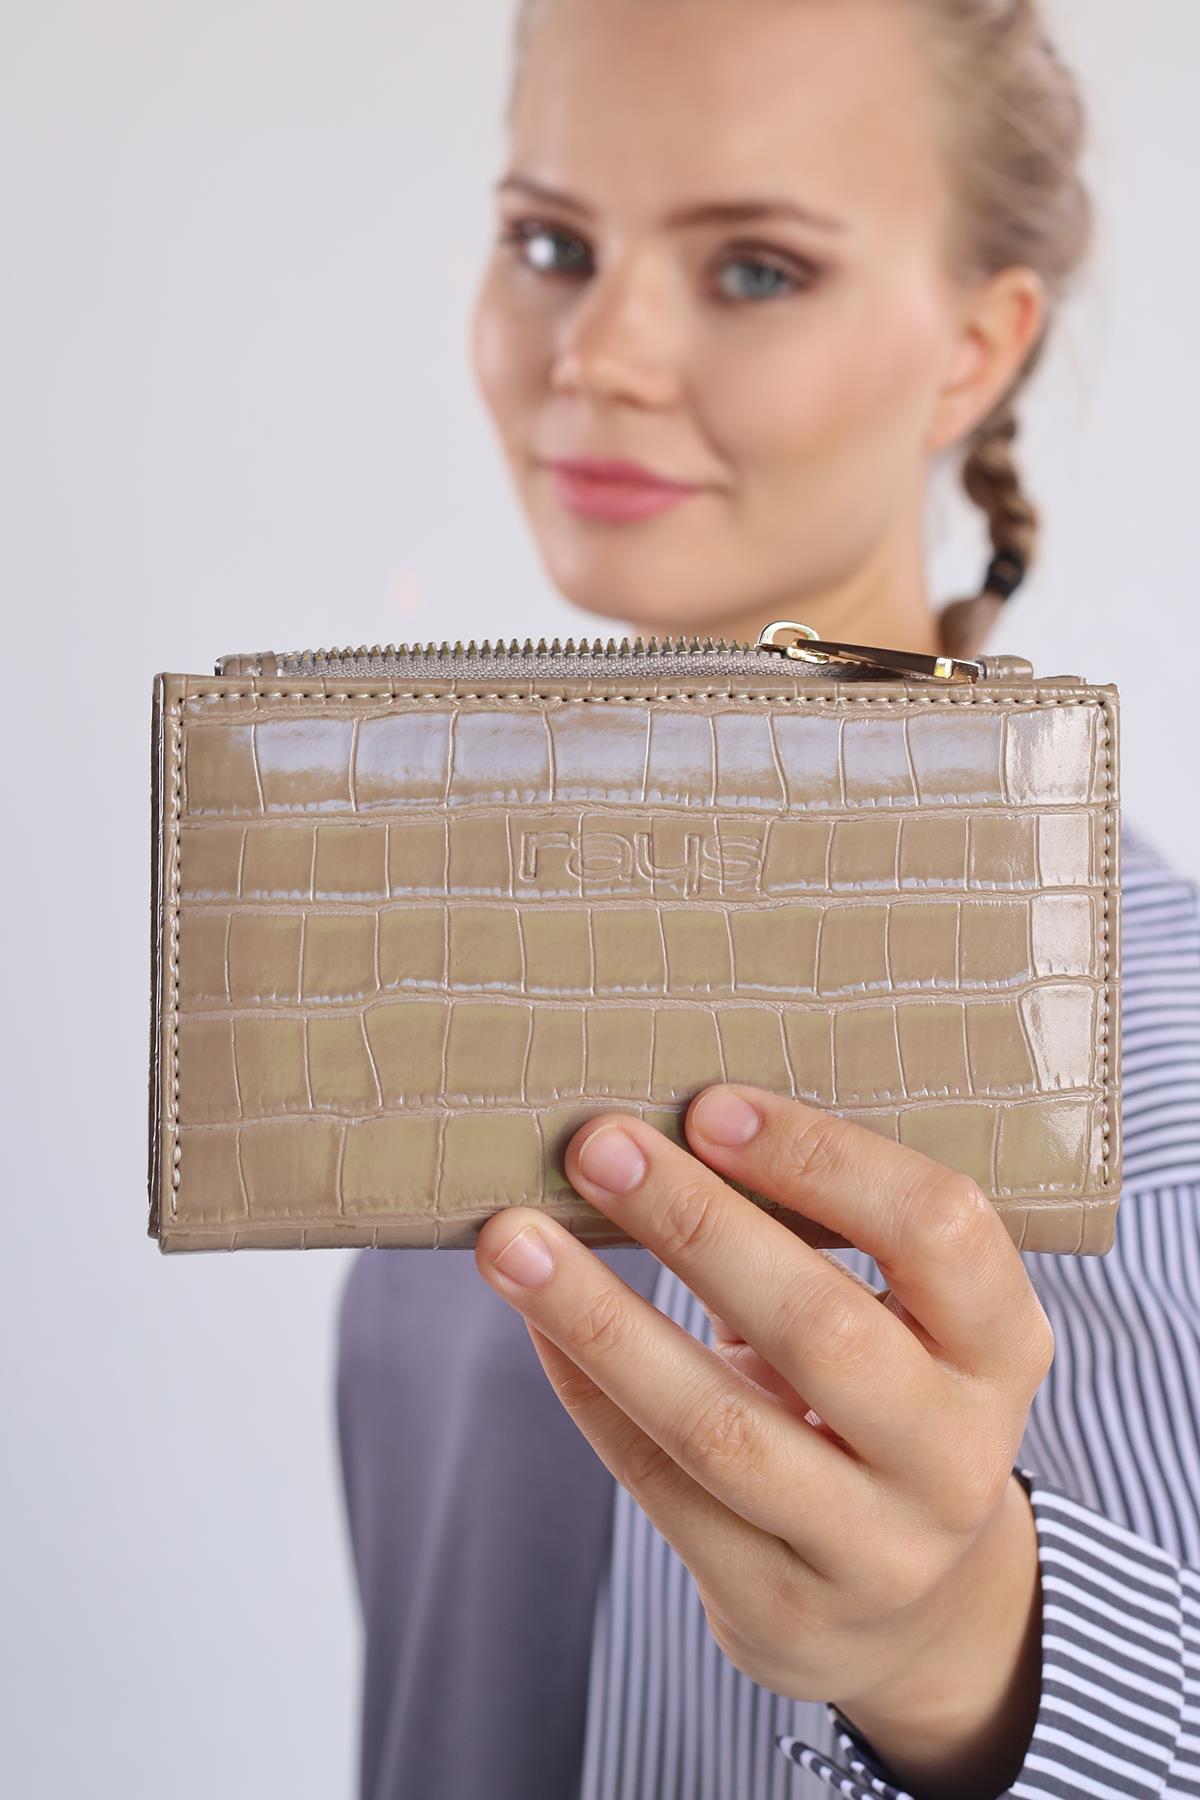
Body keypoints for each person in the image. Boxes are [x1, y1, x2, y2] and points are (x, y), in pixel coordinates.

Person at [334, 1, 1200, 1795]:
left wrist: (968, 1666)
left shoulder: (1149, 1082)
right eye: (551, 244)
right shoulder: (452, 970)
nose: (599, 354)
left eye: (754, 270)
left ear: (977, 346)